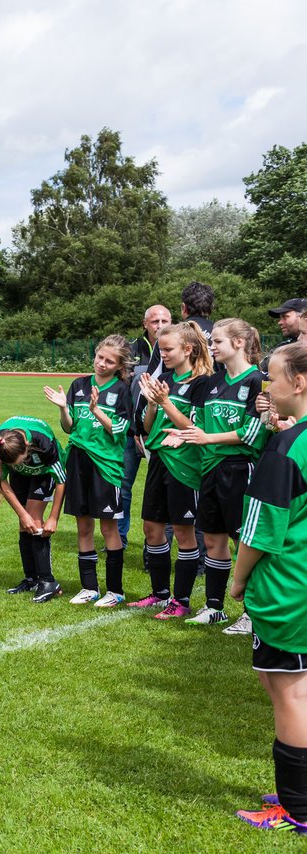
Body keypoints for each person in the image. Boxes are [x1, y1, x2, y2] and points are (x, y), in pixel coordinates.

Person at [229, 342, 307, 835]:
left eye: (273, 378)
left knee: (290, 693)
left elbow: (259, 529)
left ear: (298, 384)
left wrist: (237, 581)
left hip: (289, 588)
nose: (266, 388)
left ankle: (296, 809)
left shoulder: (286, 447)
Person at [161, 319, 267, 626]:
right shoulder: (213, 382)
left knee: (244, 542)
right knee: (213, 539)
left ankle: (251, 613)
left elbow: (252, 433)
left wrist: (207, 438)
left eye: (217, 341)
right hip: (209, 468)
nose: (212, 348)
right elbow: (202, 425)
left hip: (239, 469)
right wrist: (186, 434)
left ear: (238, 343)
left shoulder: (258, 382)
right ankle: (214, 607)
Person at [130, 321, 214, 617]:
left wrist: (165, 402)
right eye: (160, 349)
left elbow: (193, 428)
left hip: (185, 467)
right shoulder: (164, 377)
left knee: (183, 532)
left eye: (168, 349)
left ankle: (182, 600)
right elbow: (148, 426)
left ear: (188, 349)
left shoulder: (203, 382)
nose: (162, 354)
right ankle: (160, 594)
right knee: (152, 529)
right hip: (159, 462)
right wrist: (152, 404)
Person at [43, 335, 133, 606]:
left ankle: (115, 591)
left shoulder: (122, 390)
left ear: (119, 365)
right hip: (78, 461)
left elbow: (119, 430)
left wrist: (96, 411)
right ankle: (89, 587)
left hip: (105, 465)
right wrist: (63, 408)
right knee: (83, 525)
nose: (102, 364)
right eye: (99, 357)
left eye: (109, 361)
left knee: (109, 528)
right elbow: (69, 427)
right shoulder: (79, 384)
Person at [0, 416, 68, 603]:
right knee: (25, 523)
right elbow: (0, 480)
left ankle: (48, 582)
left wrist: (53, 517)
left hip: (43, 472)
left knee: (34, 518)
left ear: (27, 445)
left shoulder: (44, 444)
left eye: (20, 461)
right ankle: (31, 579)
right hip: (21, 475)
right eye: (13, 464)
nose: (17, 465)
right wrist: (21, 514)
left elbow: (61, 481)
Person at [121, 305, 172, 544]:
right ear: (145, 324)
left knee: (163, 490)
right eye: (155, 321)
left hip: (161, 433)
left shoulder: (177, 350)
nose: (160, 325)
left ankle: (163, 539)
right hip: (132, 432)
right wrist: (133, 431)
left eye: (165, 320)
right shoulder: (130, 351)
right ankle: (119, 537)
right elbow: (122, 392)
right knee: (123, 487)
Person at [262, 298, 307, 372]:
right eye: (280, 318)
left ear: (303, 316)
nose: (280, 322)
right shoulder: (283, 347)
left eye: (285, 317)